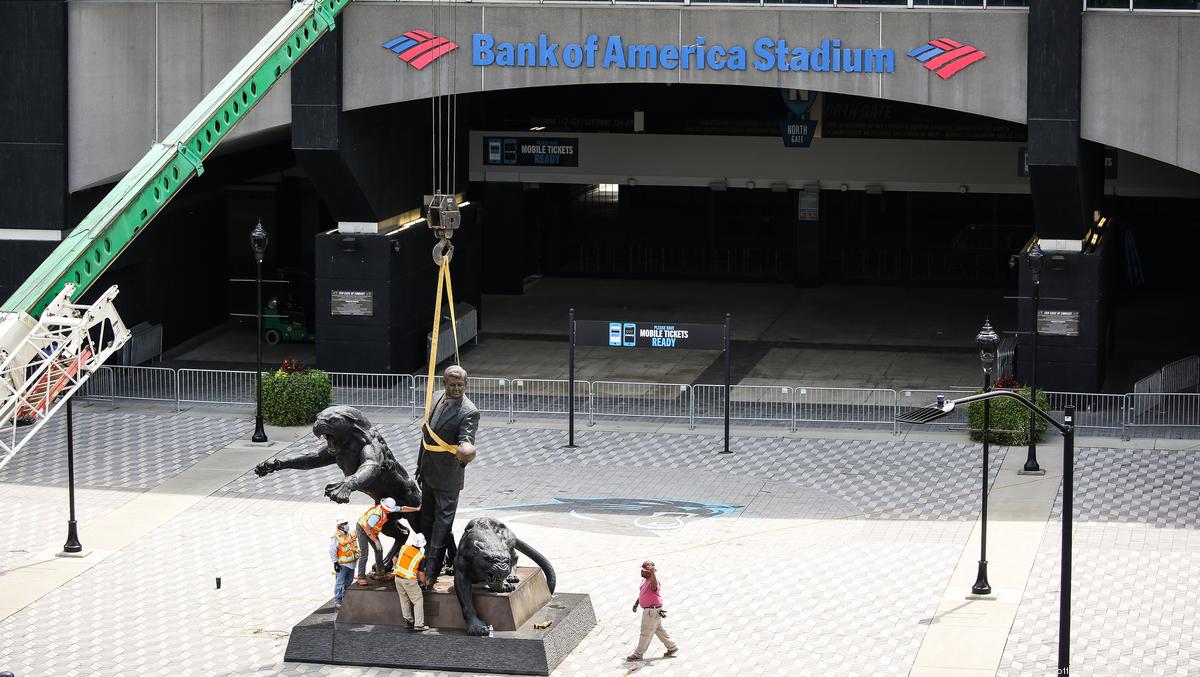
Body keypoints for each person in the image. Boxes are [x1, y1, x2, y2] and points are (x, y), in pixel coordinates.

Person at [416, 365, 480, 590]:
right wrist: (419, 465)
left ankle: (431, 572)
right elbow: (427, 435)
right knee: (426, 522)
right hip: (429, 473)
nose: (456, 389)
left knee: (441, 526)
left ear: (466, 384)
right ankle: (448, 557)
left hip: (448, 477)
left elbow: (467, 437)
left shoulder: (468, 411)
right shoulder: (434, 398)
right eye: (452, 385)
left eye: (460, 385)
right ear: (444, 384)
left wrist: (466, 450)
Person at [627, 560, 679, 661]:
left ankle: (638, 654)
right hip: (653, 611)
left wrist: (653, 574)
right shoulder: (644, 580)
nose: (641, 572)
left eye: (643, 570)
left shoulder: (653, 581)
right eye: (641, 570)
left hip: (652, 611)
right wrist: (636, 603)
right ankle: (672, 647)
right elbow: (643, 593)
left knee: (645, 632)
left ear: (649, 572)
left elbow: (654, 587)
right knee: (659, 630)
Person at [355, 497, 398, 584]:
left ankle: (380, 571)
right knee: (364, 553)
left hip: (372, 530)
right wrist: (376, 541)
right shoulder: (376, 515)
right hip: (363, 529)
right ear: (384, 507)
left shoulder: (388, 508)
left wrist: (416, 508)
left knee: (379, 549)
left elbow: (402, 509)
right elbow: (367, 529)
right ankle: (361, 577)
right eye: (388, 510)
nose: (390, 511)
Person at [392, 532, 429, 631]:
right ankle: (419, 625)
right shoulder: (420, 557)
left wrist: (396, 569)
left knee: (404, 599)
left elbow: (394, 559)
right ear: (422, 545)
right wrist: (424, 584)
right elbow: (421, 575)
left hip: (397, 578)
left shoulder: (404, 548)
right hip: (409, 581)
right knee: (418, 600)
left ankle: (409, 621)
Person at [329, 518, 359, 607]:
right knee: (340, 582)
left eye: (347, 523)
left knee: (348, 582)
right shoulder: (336, 537)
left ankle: (345, 598)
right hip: (343, 564)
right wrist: (335, 562)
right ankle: (338, 601)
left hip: (352, 564)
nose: (346, 525)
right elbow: (332, 550)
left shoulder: (351, 534)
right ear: (340, 526)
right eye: (344, 523)